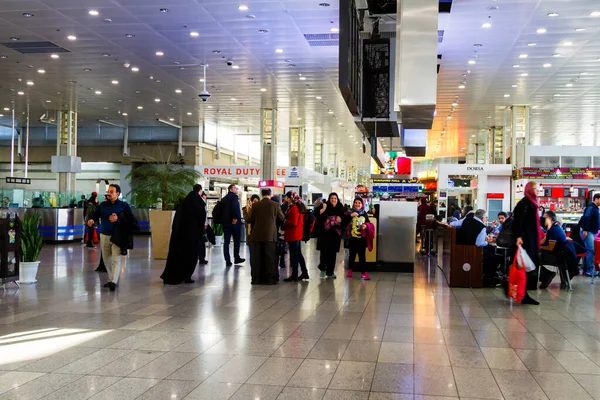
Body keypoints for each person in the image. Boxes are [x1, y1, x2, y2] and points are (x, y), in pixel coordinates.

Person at [87, 184, 133, 291]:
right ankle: (111, 278)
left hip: (117, 236)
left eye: (112, 191)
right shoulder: (103, 205)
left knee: (116, 259)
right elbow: (95, 214)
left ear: (117, 194)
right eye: (108, 191)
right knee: (106, 259)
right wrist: (92, 219)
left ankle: (113, 281)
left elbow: (130, 220)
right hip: (104, 235)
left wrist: (118, 219)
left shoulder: (124, 206)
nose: (109, 193)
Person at [160, 184, 207, 285]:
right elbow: (201, 217)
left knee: (177, 255)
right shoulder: (198, 203)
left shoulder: (185, 202)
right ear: (200, 191)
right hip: (192, 235)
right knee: (190, 256)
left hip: (179, 235)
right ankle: (187, 276)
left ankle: (171, 275)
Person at [512, 181, 542, 305]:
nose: (537, 191)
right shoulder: (524, 204)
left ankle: (523, 292)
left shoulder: (532, 204)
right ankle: (523, 294)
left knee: (527, 267)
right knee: (525, 267)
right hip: (525, 240)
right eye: (535, 189)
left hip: (531, 239)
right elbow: (518, 222)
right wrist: (518, 236)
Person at [248, 188, 285, 285]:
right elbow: (282, 218)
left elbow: (248, 219)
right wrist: (274, 224)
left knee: (257, 258)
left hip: (257, 236)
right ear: (270, 194)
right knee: (269, 258)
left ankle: (256, 279)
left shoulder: (255, 206)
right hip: (270, 236)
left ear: (261, 194)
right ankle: (269, 279)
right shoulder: (275, 205)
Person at [315, 192, 346, 278]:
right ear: (329, 199)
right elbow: (316, 213)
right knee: (324, 252)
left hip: (335, 234)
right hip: (324, 234)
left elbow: (345, 218)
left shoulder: (341, 208)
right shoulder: (325, 206)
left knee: (332, 254)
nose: (333, 200)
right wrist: (324, 209)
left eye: (335, 198)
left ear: (337, 199)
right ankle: (322, 266)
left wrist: (341, 219)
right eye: (332, 198)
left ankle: (330, 272)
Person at [283, 191, 309, 282]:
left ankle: (294, 275)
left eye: (287, 198)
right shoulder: (298, 207)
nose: (286, 199)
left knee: (294, 255)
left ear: (291, 198)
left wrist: (285, 222)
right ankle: (304, 272)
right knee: (298, 254)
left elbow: (294, 222)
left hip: (293, 234)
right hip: (296, 234)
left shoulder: (294, 208)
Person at [346, 197, 371, 280]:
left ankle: (363, 272)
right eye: (356, 202)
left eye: (359, 203)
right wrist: (350, 216)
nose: (357, 204)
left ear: (362, 204)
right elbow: (344, 222)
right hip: (352, 238)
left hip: (362, 238)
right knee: (352, 255)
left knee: (362, 256)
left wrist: (366, 226)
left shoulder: (364, 213)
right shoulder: (349, 212)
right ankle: (350, 270)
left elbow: (369, 223)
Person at [221, 184, 245, 267]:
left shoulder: (223, 199)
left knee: (226, 242)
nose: (236, 189)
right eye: (235, 188)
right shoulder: (234, 197)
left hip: (225, 223)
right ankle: (236, 257)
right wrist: (235, 217)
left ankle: (227, 260)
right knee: (236, 241)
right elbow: (235, 207)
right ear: (230, 189)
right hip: (234, 223)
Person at [580, 193, 600, 277]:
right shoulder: (591, 207)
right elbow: (586, 218)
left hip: (591, 232)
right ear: (596, 199)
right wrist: (585, 230)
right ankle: (589, 270)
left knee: (589, 250)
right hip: (588, 232)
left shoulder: (595, 208)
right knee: (591, 250)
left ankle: (586, 269)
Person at [243, 194, 260, 265]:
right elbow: (247, 220)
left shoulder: (260, 209)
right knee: (252, 255)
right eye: (254, 201)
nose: (256, 203)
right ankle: (253, 272)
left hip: (259, 235)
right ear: (251, 201)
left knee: (258, 256)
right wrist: (251, 209)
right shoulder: (245, 209)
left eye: (257, 202)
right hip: (250, 235)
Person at [199, 192, 209, 265]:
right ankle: (202, 258)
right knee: (202, 242)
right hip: (201, 225)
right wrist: (205, 224)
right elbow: (205, 214)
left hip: (198, 225)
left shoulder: (196, 202)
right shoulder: (202, 203)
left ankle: (201, 257)